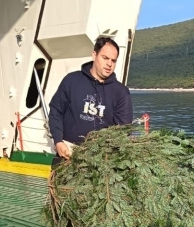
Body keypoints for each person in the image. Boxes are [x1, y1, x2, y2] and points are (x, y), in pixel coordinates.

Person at [48, 36, 133, 166]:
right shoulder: (71, 81)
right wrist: (58, 140)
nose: (109, 64)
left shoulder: (121, 93)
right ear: (94, 55)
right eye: (105, 58)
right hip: (66, 155)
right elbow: (56, 111)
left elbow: (123, 131)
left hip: (100, 162)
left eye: (113, 60)